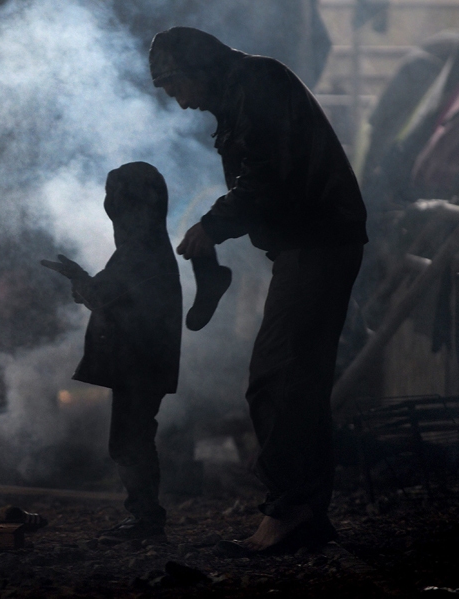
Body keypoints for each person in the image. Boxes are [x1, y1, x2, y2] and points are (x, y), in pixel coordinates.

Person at [149, 27, 368, 554]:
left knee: (279, 377)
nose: (180, 103)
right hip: (315, 242)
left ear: (197, 67)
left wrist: (214, 225)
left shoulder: (256, 83)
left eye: (175, 85)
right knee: (297, 379)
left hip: (318, 244)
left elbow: (268, 176)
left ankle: (290, 509)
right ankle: (305, 512)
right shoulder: (246, 86)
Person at [42, 162, 181, 542]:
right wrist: (85, 283)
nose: (111, 204)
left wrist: (78, 279)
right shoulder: (147, 245)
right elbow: (108, 294)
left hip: (142, 361)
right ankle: (143, 517)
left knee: (130, 440)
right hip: (143, 359)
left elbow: (104, 294)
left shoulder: (142, 250)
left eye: (116, 195)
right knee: (131, 437)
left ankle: (145, 520)